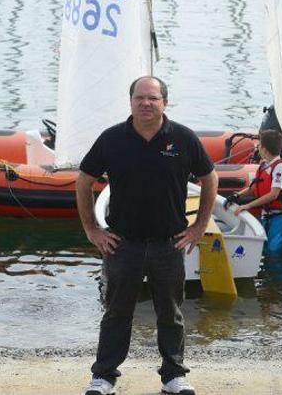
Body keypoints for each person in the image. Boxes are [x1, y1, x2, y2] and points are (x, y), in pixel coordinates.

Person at [76, 76, 218, 395]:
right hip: (123, 244)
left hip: (168, 244)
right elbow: (83, 180)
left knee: (171, 312)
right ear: (130, 102)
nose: (146, 103)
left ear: (164, 102)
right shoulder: (112, 139)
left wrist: (198, 227)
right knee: (116, 312)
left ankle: (173, 376)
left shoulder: (183, 138)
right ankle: (104, 376)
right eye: (140, 98)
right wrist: (91, 229)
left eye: (153, 98)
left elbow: (210, 178)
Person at [227, 130, 282, 255]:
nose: (257, 148)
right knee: (263, 250)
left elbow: (273, 194)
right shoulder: (264, 165)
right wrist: (236, 195)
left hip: (279, 217)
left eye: (259, 145)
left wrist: (248, 206)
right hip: (266, 215)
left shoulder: (280, 167)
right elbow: (253, 188)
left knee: (274, 252)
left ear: (264, 150)